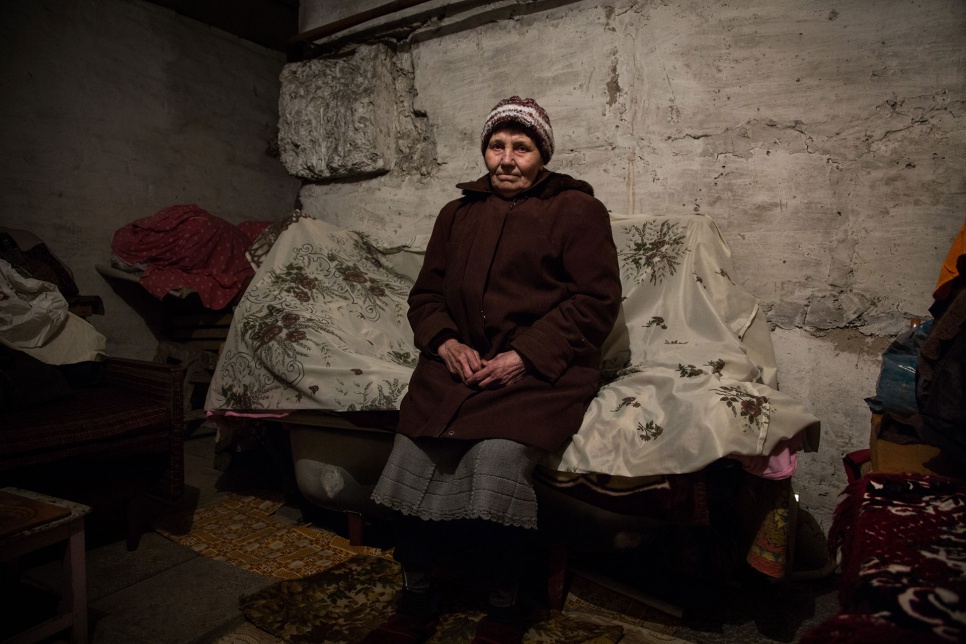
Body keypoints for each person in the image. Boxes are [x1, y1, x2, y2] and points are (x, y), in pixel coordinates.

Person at [362, 97, 622, 644]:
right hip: (459, 370)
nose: (506, 159)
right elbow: (426, 295)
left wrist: (524, 355)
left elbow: (596, 302)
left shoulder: (576, 210)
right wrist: (446, 341)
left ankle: (505, 607)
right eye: (496, 146)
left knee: (498, 458)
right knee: (413, 451)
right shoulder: (456, 214)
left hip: (535, 375)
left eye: (521, 148)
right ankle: (416, 598)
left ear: (542, 154)